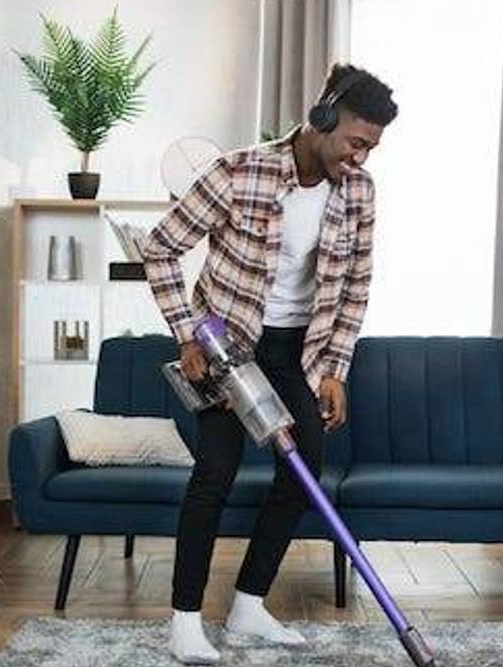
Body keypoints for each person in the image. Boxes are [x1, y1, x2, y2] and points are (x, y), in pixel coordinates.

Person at [142, 63, 398, 664]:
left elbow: (355, 287)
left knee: (304, 472)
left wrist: (334, 369)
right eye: (355, 141)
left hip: (296, 351)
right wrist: (187, 334)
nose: (361, 157)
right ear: (323, 117)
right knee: (215, 472)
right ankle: (185, 621)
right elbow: (160, 248)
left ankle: (248, 607)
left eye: (371, 147)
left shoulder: (359, 192)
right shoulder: (236, 172)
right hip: (226, 348)